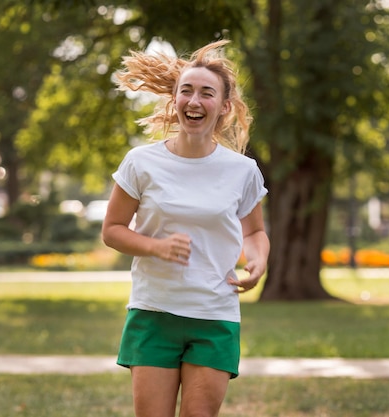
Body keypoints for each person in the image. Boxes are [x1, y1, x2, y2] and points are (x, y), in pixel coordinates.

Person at [102, 40, 269, 417]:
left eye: (206, 93)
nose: (194, 101)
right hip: (153, 310)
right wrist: (155, 247)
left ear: (224, 107)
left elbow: (254, 233)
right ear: (174, 100)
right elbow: (112, 229)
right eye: (186, 91)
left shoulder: (243, 170)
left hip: (215, 314)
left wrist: (257, 263)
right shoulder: (141, 162)